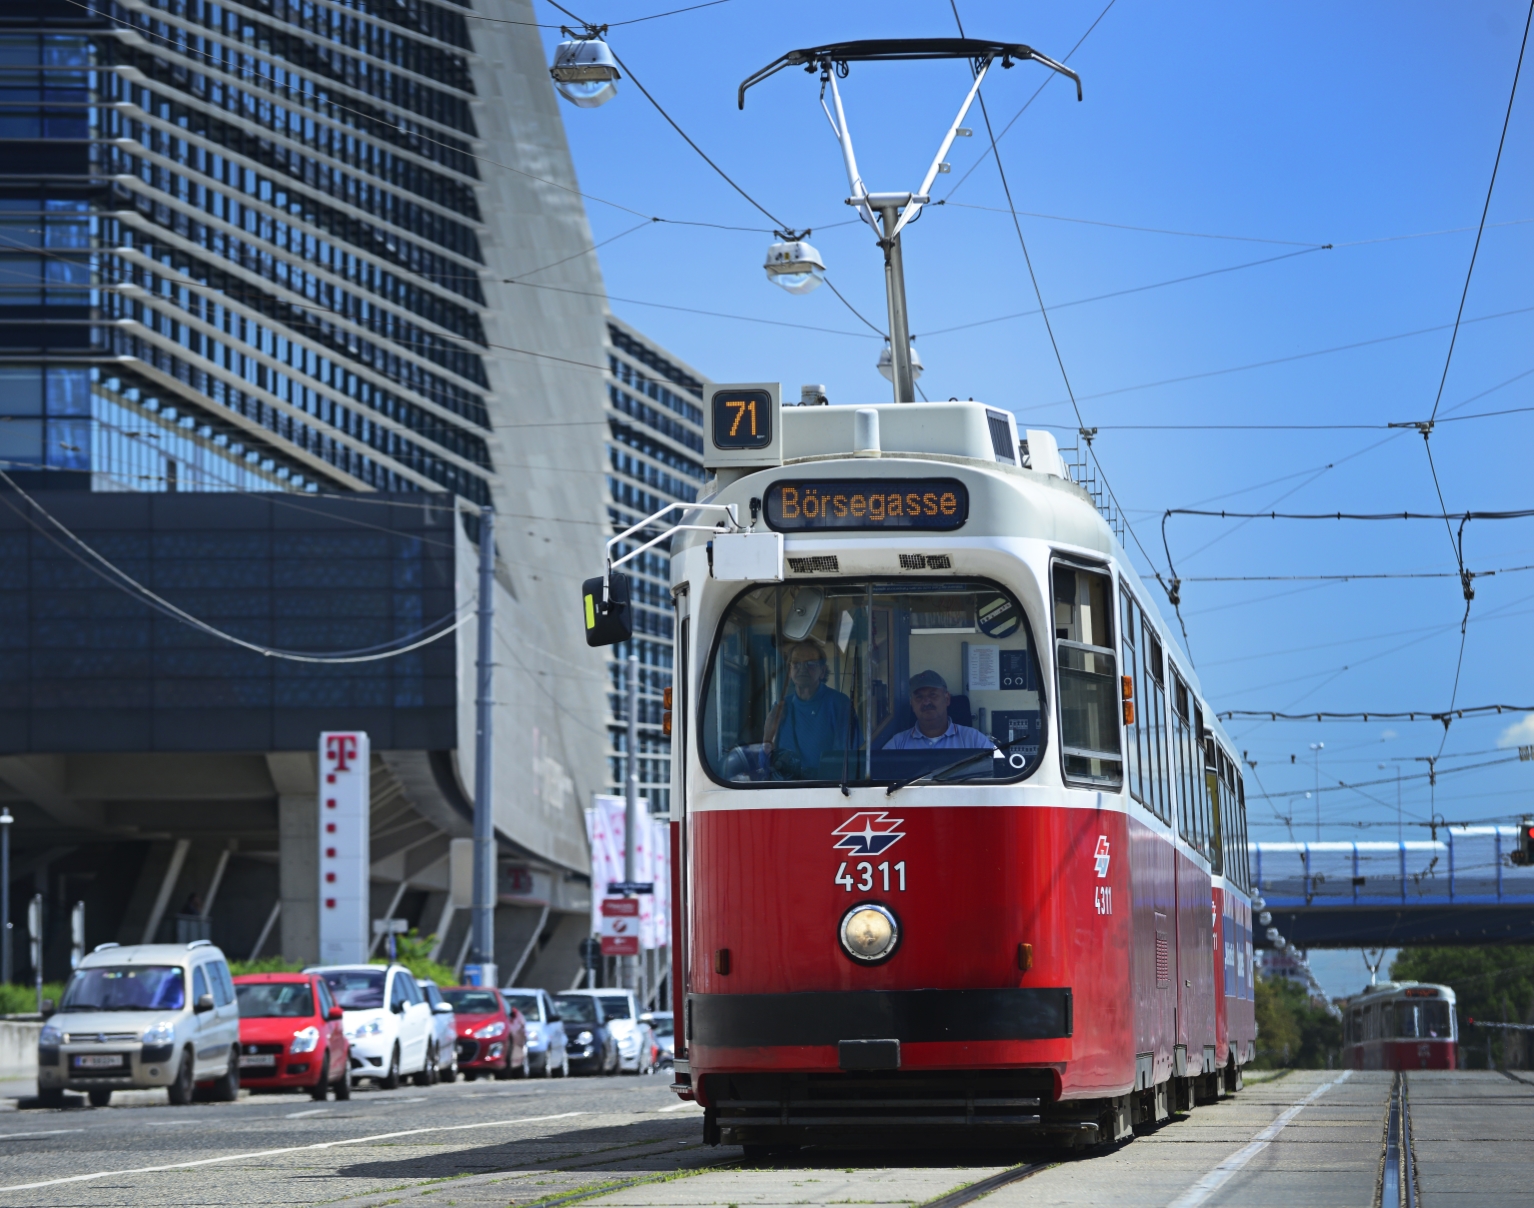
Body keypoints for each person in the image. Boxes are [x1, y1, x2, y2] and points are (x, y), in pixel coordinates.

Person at [763, 639, 858, 779]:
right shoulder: (782, 707)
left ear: (822, 670)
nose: (802, 669)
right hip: (784, 792)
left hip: (827, 791)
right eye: (796, 664)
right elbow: (765, 765)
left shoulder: (839, 705)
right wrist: (768, 735)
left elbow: (849, 760)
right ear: (789, 670)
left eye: (811, 664)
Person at [882, 670, 995, 750]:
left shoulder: (974, 739)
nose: (926, 702)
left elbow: (1001, 771)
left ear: (947, 699)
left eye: (932, 695)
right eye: (919, 697)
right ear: (912, 704)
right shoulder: (897, 744)